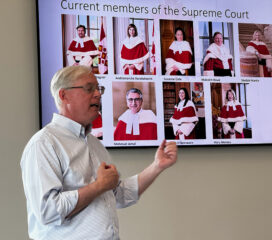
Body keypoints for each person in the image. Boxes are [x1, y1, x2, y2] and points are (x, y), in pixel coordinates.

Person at [20, 66, 177, 240]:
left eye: (98, 88)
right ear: (64, 96)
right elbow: (48, 211)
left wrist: (156, 166)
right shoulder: (44, 144)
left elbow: (118, 194)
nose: (97, 94)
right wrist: (98, 186)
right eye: (89, 88)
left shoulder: (94, 143)